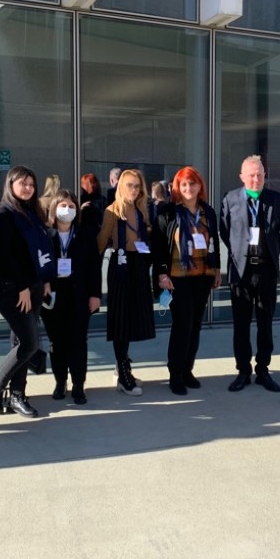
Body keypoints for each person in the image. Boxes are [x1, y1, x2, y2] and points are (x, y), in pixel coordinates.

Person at [219, 155, 280, 393]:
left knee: (265, 323)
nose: (256, 179)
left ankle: (263, 370)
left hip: (266, 271)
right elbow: (225, 232)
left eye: (259, 174)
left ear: (264, 175)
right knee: (241, 325)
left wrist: (268, 254)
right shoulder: (230, 199)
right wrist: (241, 254)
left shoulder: (278, 200)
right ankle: (242, 370)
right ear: (242, 177)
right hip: (241, 271)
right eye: (251, 175)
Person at [0, 165, 54, 418]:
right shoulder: (3, 214)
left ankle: (17, 395)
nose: (27, 188)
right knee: (29, 342)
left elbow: (41, 250)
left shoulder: (32, 212)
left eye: (31, 184)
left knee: (20, 342)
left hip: (35, 285)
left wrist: (45, 280)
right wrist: (23, 286)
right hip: (13, 288)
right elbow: (5, 256)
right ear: (10, 185)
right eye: (22, 183)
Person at [153, 166, 221, 395]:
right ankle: (175, 373)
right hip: (177, 278)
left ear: (200, 186)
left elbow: (215, 242)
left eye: (192, 183)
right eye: (184, 184)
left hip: (202, 276)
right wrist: (162, 274)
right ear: (177, 188)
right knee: (183, 324)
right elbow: (159, 247)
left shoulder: (208, 212)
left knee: (196, 325)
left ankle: (187, 369)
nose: (189, 188)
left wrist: (217, 269)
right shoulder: (167, 213)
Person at [39, 190, 101, 404]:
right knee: (56, 342)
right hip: (53, 295)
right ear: (54, 208)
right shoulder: (45, 234)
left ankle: (78, 384)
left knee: (78, 341)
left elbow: (94, 266)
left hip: (79, 295)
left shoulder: (85, 233)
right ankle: (60, 381)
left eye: (72, 206)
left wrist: (95, 295)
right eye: (63, 205)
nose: (67, 209)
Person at [97, 169, 155, 396]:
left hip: (139, 267)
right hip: (120, 267)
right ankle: (122, 373)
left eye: (138, 186)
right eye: (130, 185)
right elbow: (100, 244)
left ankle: (123, 366)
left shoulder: (142, 211)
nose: (134, 190)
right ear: (120, 186)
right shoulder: (112, 211)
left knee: (132, 321)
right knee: (120, 320)